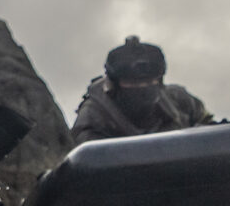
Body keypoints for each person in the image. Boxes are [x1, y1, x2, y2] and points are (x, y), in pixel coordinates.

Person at [70, 36, 211, 145]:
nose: (142, 87)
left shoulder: (180, 101)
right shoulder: (93, 117)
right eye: (132, 83)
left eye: (150, 81)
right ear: (113, 86)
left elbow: (210, 133)